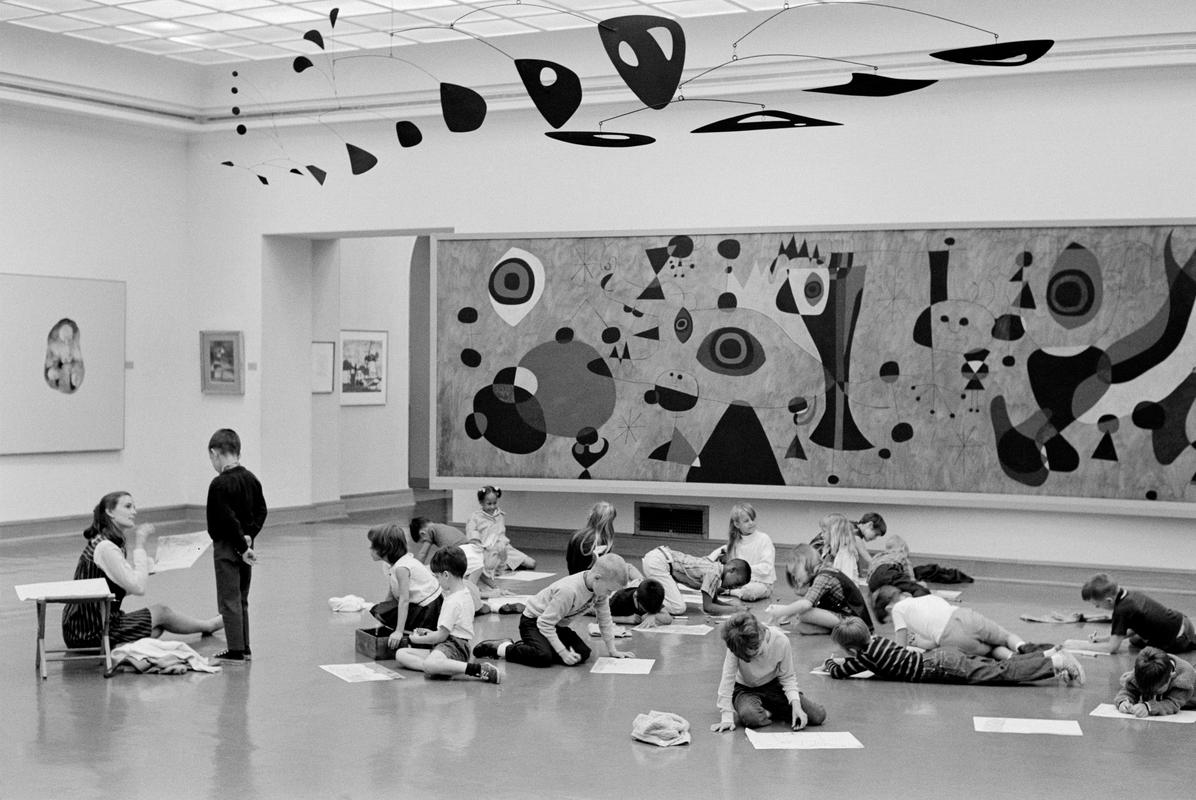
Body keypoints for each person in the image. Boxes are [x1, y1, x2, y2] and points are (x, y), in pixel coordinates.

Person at [62, 492, 223, 648]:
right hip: (89, 629)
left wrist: (144, 571)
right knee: (162, 612)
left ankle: (119, 645)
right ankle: (207, 626)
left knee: (157, 629)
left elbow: (118, 587)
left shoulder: (108, 542)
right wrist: (140, 544)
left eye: (134, 507)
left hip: (89, 623)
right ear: (110, 512)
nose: (134, 511)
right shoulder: (106, 547)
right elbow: (138, 588)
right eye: (128, 506)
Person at [471, 553, 634, 667]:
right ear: (597, 578)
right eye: (609, 590)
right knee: (543, 657)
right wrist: (562, 652)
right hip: (533, 622)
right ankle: (501, 647)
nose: (610, 595)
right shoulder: (569, 591)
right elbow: (544, 624)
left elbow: (605, 620)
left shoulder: (600, 591)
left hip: (556, 625)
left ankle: (533, 646)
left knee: (582, 653)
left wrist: (613, 650)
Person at [824, 616, 1084, 685]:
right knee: (997, 666)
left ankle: (1055, 662)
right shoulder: (878, 641)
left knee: (997, 674)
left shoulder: (864, 657)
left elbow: (841, 672)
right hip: (941, 655)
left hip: (940, 668)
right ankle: (1047, 655)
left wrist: (831, 663)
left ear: (851, 648)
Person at [393, 546, 502, 684]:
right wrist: (430, 632)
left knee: (428, 664)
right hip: (447, 644)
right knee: (401, 654)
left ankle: (477, 669)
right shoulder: (464, 592)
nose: (437, 581)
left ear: (446, 575)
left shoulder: (453, 601)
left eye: (437, 577)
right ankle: (442, 667)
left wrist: (415, 640)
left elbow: (441, 636)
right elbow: (446, 630)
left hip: (455, 646)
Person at [206, 428, 267, 663]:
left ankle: (235, 650)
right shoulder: (251, 478)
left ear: (215, 453)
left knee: (228, 599)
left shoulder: (219, 485)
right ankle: (245, 646)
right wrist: (249, 537)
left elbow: (226, 519)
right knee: (242, 598)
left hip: (227, 547)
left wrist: (240, 544)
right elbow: (262, 510)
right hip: (247, 549)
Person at [710, 611, 827, 733]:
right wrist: (726, 717)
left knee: (817, 715)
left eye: (755, 652)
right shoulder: (736, 646)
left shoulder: (781, 641)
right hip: (744, 689)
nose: (753, 658)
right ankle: (772, 710)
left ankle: (769, 711)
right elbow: (727, 679)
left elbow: (788, 678)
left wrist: (796, 706)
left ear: (761, 635)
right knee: (751, 717)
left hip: (773, 686)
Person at [875, 585, 1035, 659]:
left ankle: (1013, 660)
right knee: (1005, 636)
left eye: (889, 622)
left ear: (888, 608)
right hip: (964, 615)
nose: (893, 623)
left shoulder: (897, 609)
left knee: (991, 651)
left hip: (951, 637)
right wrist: (919, 641)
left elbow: (900, 647)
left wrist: (895, 654)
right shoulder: (927, 599)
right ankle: (1021, 646)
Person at [1060, 573, 1196, 654]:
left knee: (1147, 653)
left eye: (1096, 604)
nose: (1096, 607)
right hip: (1183, 622)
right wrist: (1103, 639)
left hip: (1178, 639)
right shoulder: (1129, 595)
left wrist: (1077, 644)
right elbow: (1133, 627)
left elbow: (1112, 648)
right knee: (1135, 640)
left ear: (1108, 600)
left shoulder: (1122, 610)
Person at [764, 544, 872, 634]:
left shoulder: (824, 576)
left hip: (855, 622)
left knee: (804, 613)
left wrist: (781, 612)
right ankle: (837, 631)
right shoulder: (820, 574)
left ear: (804, 563)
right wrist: (785, 615)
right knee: (801, 626)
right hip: (844, 617)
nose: (796, 578)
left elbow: (805, 604)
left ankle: (844, 631)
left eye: (795, 573)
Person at [366, 523, 444, 648]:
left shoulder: (402, 567)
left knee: (386, 612)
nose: (369, 549)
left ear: (385, 548)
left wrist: (398, 631)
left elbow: (404, 600)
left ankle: (411, 630)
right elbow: (392, 591)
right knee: (380, 610)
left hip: (429, 609)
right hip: (422, 604)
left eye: (373, 546)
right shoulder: (392, 564)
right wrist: (385, 615)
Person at [642, 544, 750, 617]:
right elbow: (708, 607)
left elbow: (714, 601)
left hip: (659, 558)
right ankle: (644, 601)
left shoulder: (715, 570)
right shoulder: (714, 574)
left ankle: (645, 594)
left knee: (675, 603)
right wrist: (735, 610)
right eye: (736, 583)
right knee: (678, 608)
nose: (734, 587)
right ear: (732, 570)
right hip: (659, 562)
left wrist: (736, 607)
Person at [709, 503, 775, 601]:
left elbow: (766, 568)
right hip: (739, 583)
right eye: (746, 521)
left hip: (761, 584)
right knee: (712, 581)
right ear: (737, 524)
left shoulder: (764, 539)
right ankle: (730, 590)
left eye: (753, 519)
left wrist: (743, 570)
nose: (751, 523)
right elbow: (714, 556)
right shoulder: (735, 542)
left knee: (749, 592)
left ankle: (729, 592)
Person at [466, 485, 535, 573]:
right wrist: (482, 548)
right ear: (481, 502)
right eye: (489, 504)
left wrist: (502, 546)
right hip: (486, 552)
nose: (492, 507)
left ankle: (503, 565)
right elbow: (473, 539)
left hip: (503, 549)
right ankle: (499, 566)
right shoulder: (474, 518)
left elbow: (501, 535)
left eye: (494, 503)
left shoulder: (500, 515)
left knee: (531, 563)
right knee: (489, 566)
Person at [1112, 647, 1196, 717]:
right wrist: (1123, 701)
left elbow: (1173, 703)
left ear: (1171, 676)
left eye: (1156, 691)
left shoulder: (1184, 680)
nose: (1152, 694)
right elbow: (1129, 690)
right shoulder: (1143, 671)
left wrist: (1148, 707)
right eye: (1145, 689)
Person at [866, 534, 930, 599]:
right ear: (902, 549)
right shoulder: (900, 555)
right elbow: (909, 575)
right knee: (919, 589)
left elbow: (869, 572)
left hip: (873, 581)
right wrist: (915, 583)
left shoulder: (877, 556)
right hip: (888, 571)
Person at [565, 500, 616, 575]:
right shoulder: (602, 540)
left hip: (574, 578)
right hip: (591, 581)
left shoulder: (576, 535)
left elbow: (569, 559)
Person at [820, 514, 870, 582]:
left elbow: (847, 581)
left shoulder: (846, 555)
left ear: (834, 534)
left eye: (824, 531)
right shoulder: (829, 552)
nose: (821, 535)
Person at [607, 579, 672, 627]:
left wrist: (653, 615)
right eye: (642, 609)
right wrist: (626, 619)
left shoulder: (653, 597)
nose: (648, 612)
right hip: (612, 594)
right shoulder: (620, 598)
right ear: (636, 597)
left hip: (640, 586)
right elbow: (600, 617)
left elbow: (669, 618)